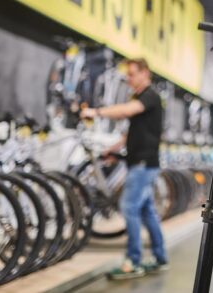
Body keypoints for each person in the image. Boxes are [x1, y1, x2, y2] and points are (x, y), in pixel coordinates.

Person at [81, 57, 169, 280]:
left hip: (142, 164)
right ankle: (160, 257)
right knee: (147, 212)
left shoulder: (149, 96)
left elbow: (126, 111)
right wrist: (112, 150)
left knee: (129, 208)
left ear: (145, 73)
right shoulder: (142, 98)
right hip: (142, 162)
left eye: (131, 74)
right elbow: (131, 133)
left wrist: (96, 112)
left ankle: (133, 261)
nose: (128, 79)